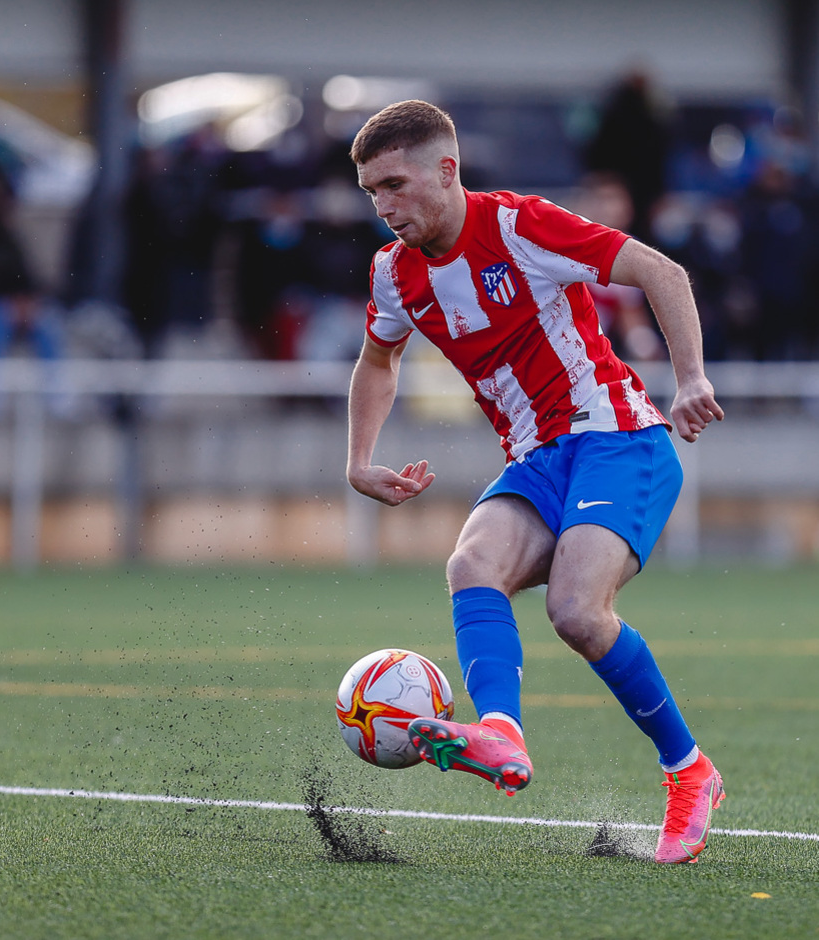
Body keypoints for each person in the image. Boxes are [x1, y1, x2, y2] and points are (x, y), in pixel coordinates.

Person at [346, 100, 725, 865]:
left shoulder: (519, 225)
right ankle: (500, 733)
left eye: (394, 184)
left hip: (619, 439)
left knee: (577, 613)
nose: (384, 206)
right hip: (537, 460)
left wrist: (690, 379)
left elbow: (661, 269)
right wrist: (359, 458)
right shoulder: (395, 274)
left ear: (447, 172)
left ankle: (690, 772)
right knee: (469, 566)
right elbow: (377, 361)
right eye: (370, 192)